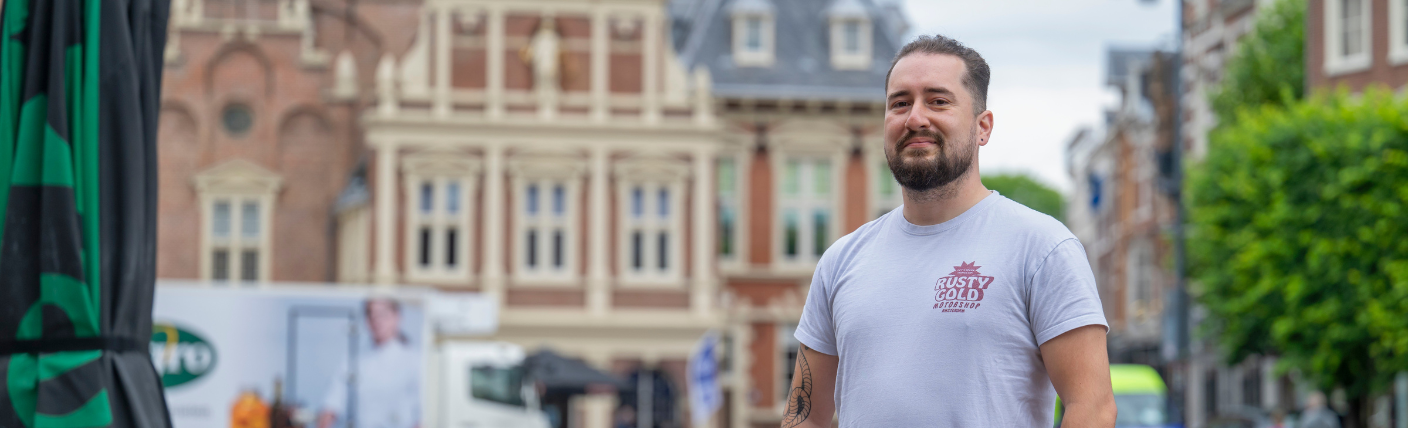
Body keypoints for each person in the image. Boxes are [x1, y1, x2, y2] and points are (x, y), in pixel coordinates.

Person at [783, 34, 1116, 427]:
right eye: (900, 103)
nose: (915, 118)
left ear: (983, 127)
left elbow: (1092, 407)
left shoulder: (1041, 247)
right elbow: (803, 415)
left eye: (938, 101)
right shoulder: (841, 260)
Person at [317, 298, 421, 428]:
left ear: (397, 317)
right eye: (371, 315)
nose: (376, 320)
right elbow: (332, 403)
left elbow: (422, 414)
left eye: (382, 314)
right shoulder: (353, 360)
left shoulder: (415, 360)